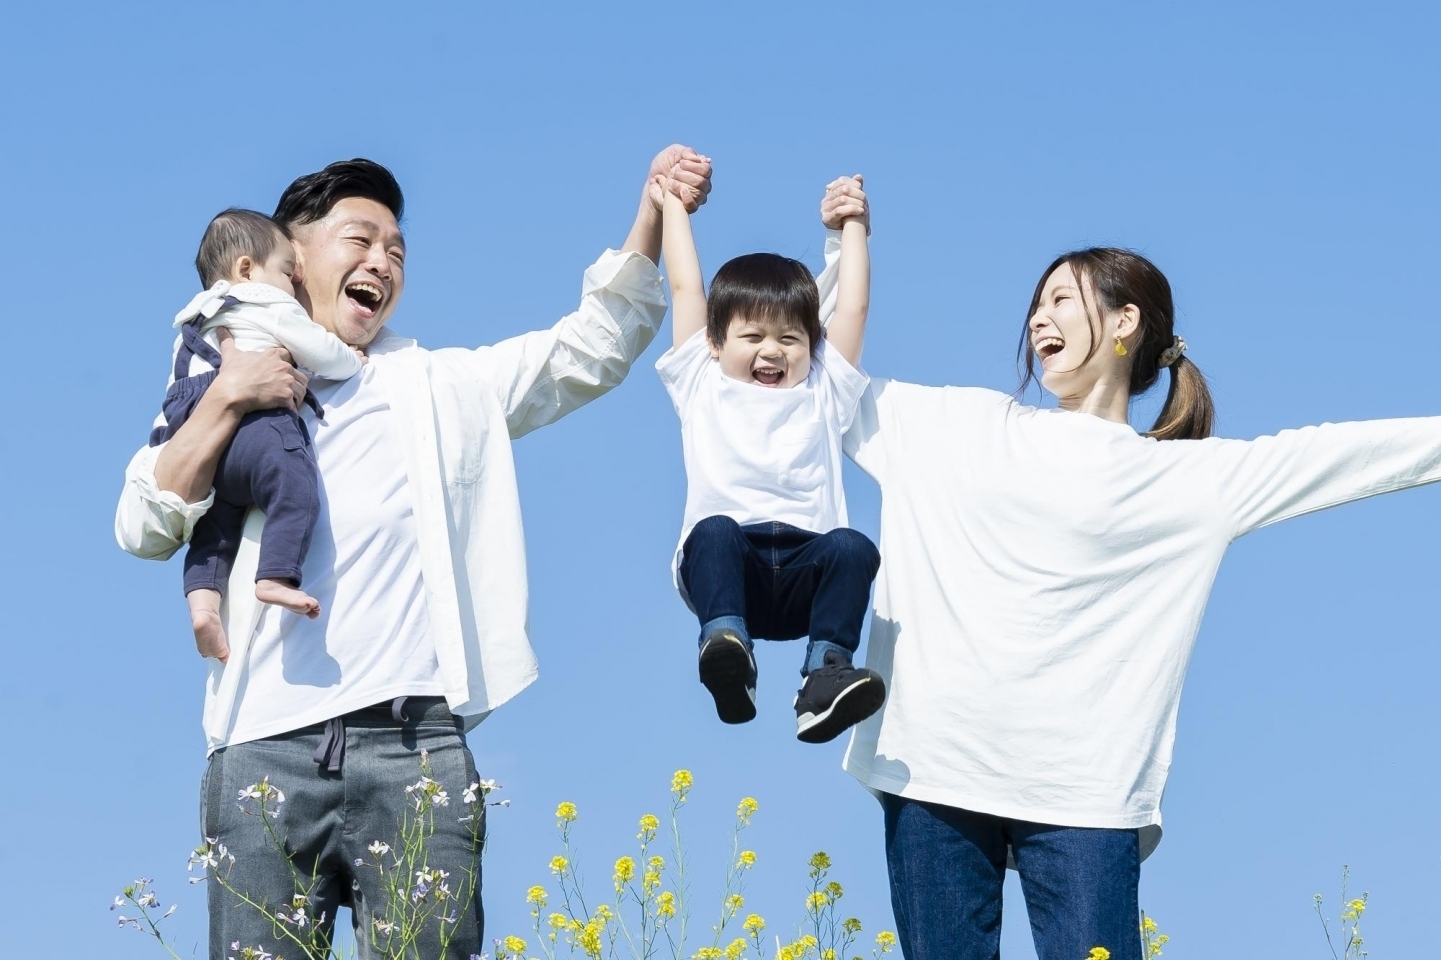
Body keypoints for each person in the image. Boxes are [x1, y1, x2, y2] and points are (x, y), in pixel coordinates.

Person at [114, 149, 711, 960]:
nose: (381, 262)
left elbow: (589, 350)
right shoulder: (217, 364)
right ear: (289, 259)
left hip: (416, 742)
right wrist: (228, 394)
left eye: (396, 250)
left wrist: (649, 214)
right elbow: (143, 524)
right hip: (261, 742)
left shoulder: (444, 386)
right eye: (358, 240)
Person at [828, 245, 1441, 959]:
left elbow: (1340, 455)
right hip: (930, 765)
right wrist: (840, 249)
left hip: (1083, 791)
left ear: (1125, 322)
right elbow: (806, 374)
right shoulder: (955, 427)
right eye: (1036, 303)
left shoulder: (1185, 481)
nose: (1037, 318)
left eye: (1061, 299)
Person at [657, 171, 884, 743]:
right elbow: (687, 289)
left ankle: (824, 679)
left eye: (790, 339)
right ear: (715, 342)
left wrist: (853, 224)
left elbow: (852, 307)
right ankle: (727, 650)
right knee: (712, 532)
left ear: (811, 345)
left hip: (807, 576)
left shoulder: (823, 390)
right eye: (752, 336)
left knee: (854, 547)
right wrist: (673, 207)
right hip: (733, 574)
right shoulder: (700, 382)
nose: (772, 351)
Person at [155, 208, 365, 661]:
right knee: (295, 489)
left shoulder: (195, 320)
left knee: (214, 529)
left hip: (200, 433)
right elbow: (317, 348)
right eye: (289, 272)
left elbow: (172, 399)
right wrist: (352, 360)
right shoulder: (261, 300)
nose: (295, 284)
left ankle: (204, 606)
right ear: (247, 269)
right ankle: (275, 576)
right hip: (257, 426)